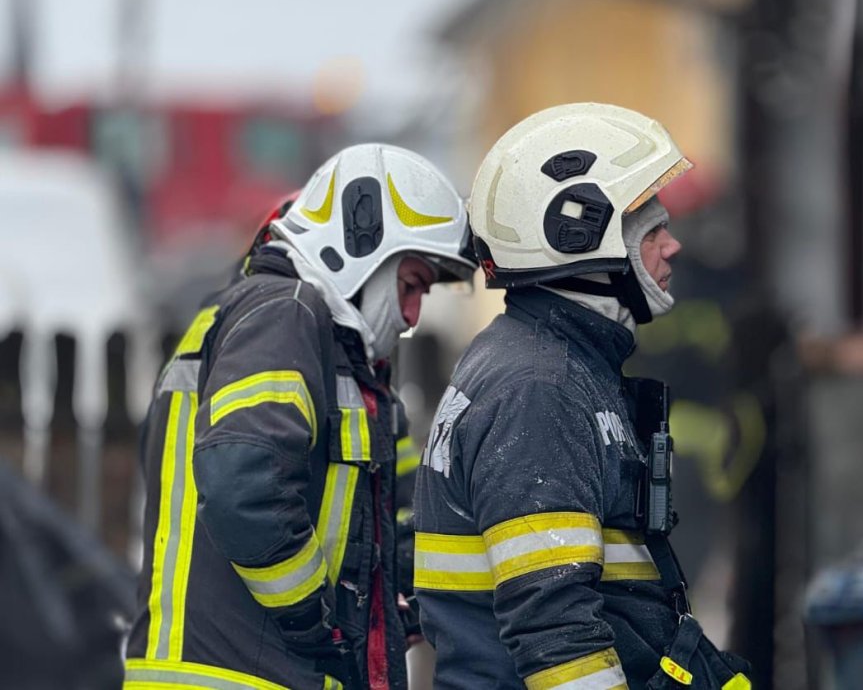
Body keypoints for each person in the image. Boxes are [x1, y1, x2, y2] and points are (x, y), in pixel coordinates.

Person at [413, 103, 753, 689]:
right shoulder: (539, 389)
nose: (672, 247)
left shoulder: (550, 363)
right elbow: (555, 630)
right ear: (578, 236)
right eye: (652, 229)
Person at [124, 143, 474, 690]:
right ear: (360, 248)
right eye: (410, 286)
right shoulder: (282, 314)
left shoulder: (268, 324)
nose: (411, 317)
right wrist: (318, 619)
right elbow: (244, 485)